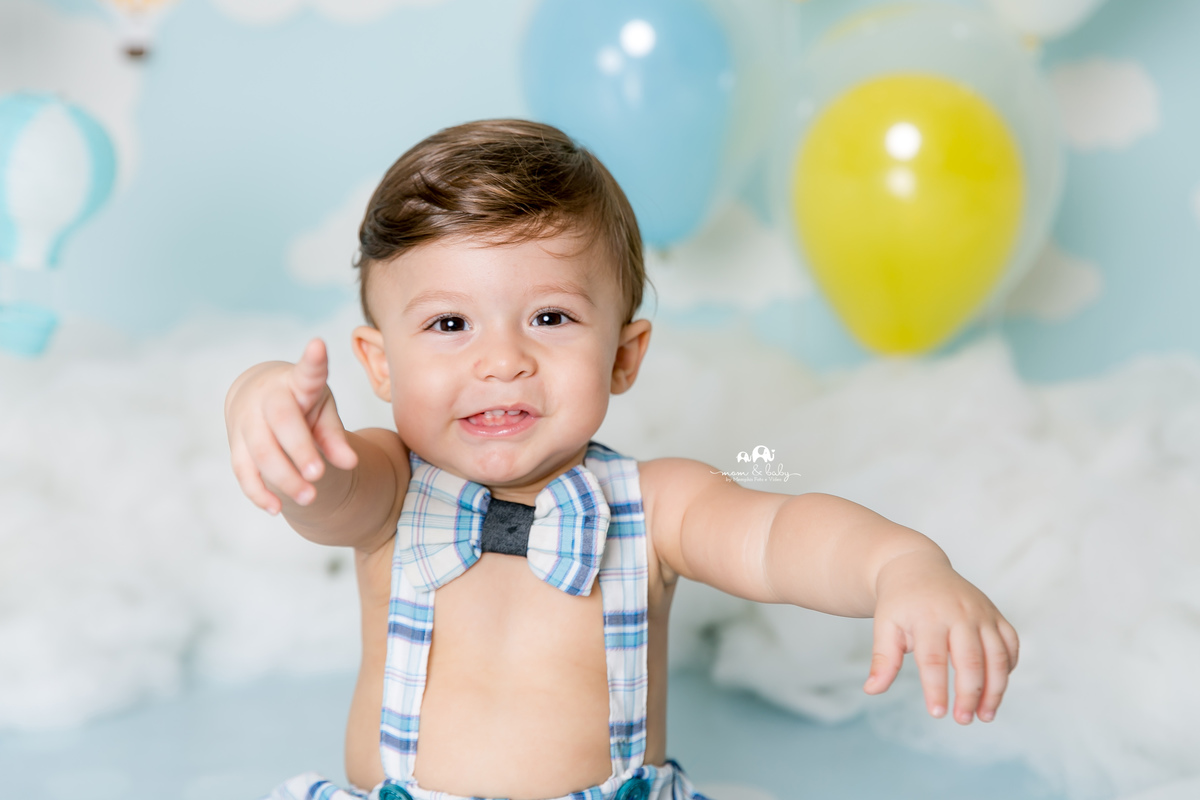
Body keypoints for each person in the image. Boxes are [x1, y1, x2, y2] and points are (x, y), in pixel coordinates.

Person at [224, 119, 1019, 800]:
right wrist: (270, 406)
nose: (501, 359)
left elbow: (782, 535)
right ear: (380, 364)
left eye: (549, 315)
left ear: (623, 355)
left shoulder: (657, 502)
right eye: (448, 325)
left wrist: (901, 565)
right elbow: (323, 492)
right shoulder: (388, 484)